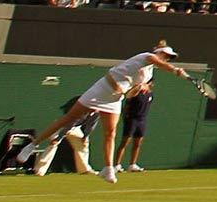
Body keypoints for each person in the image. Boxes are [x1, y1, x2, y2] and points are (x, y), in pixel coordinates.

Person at [27, 42, 198, 183]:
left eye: (169, 58)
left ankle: (108, 169)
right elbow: (157, 62)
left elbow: (130, 94)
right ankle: (32, 145)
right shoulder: (145, 56)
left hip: (115, 98)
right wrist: (174, 70)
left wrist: (139, 88)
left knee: (111, 133)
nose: (166, 58)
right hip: (102, 89)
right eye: (165, 55)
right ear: (158, 52)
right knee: (68, 118)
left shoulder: (146, 76)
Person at [118, 83, 154, 172]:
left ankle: (132, 165)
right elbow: (126, 106)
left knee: (137, 143)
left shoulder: (150, 95)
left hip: (142, 120)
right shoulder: (134, 93)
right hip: (131, 120)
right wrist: (126, 118)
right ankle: (117, 165)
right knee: (125, 142)